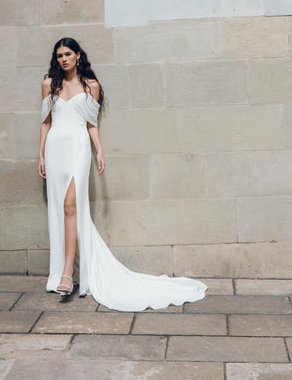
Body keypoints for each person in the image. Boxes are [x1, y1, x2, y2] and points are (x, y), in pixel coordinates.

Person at [38, 37, 207, 311]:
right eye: (59, 55)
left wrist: (100, 151)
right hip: (56, 147)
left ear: (78, 55)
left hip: (79, 148)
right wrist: (41, 154)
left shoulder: (90, 85)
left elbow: (91, 125)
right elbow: (46, 122)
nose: (63, 59)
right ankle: (62, 271)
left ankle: (68, 273)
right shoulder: (49, 84)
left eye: (68, 54)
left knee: (71, 205)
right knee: (60, 209)